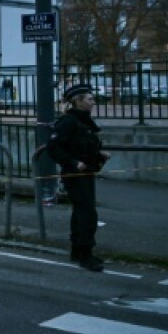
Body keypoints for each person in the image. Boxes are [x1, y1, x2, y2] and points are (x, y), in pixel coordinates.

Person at [46, 83, 110, 272]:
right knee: (87, 213)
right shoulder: (68, 122)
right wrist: (74, 163)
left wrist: (99, 155)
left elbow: (83, 146)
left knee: (81, 211)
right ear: (78, 101)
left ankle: (78, 250)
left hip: (86, 171)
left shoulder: (83, 121)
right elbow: (54, 147)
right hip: (76, 174)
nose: (93, 102)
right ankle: (85, 254)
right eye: (89, 99)